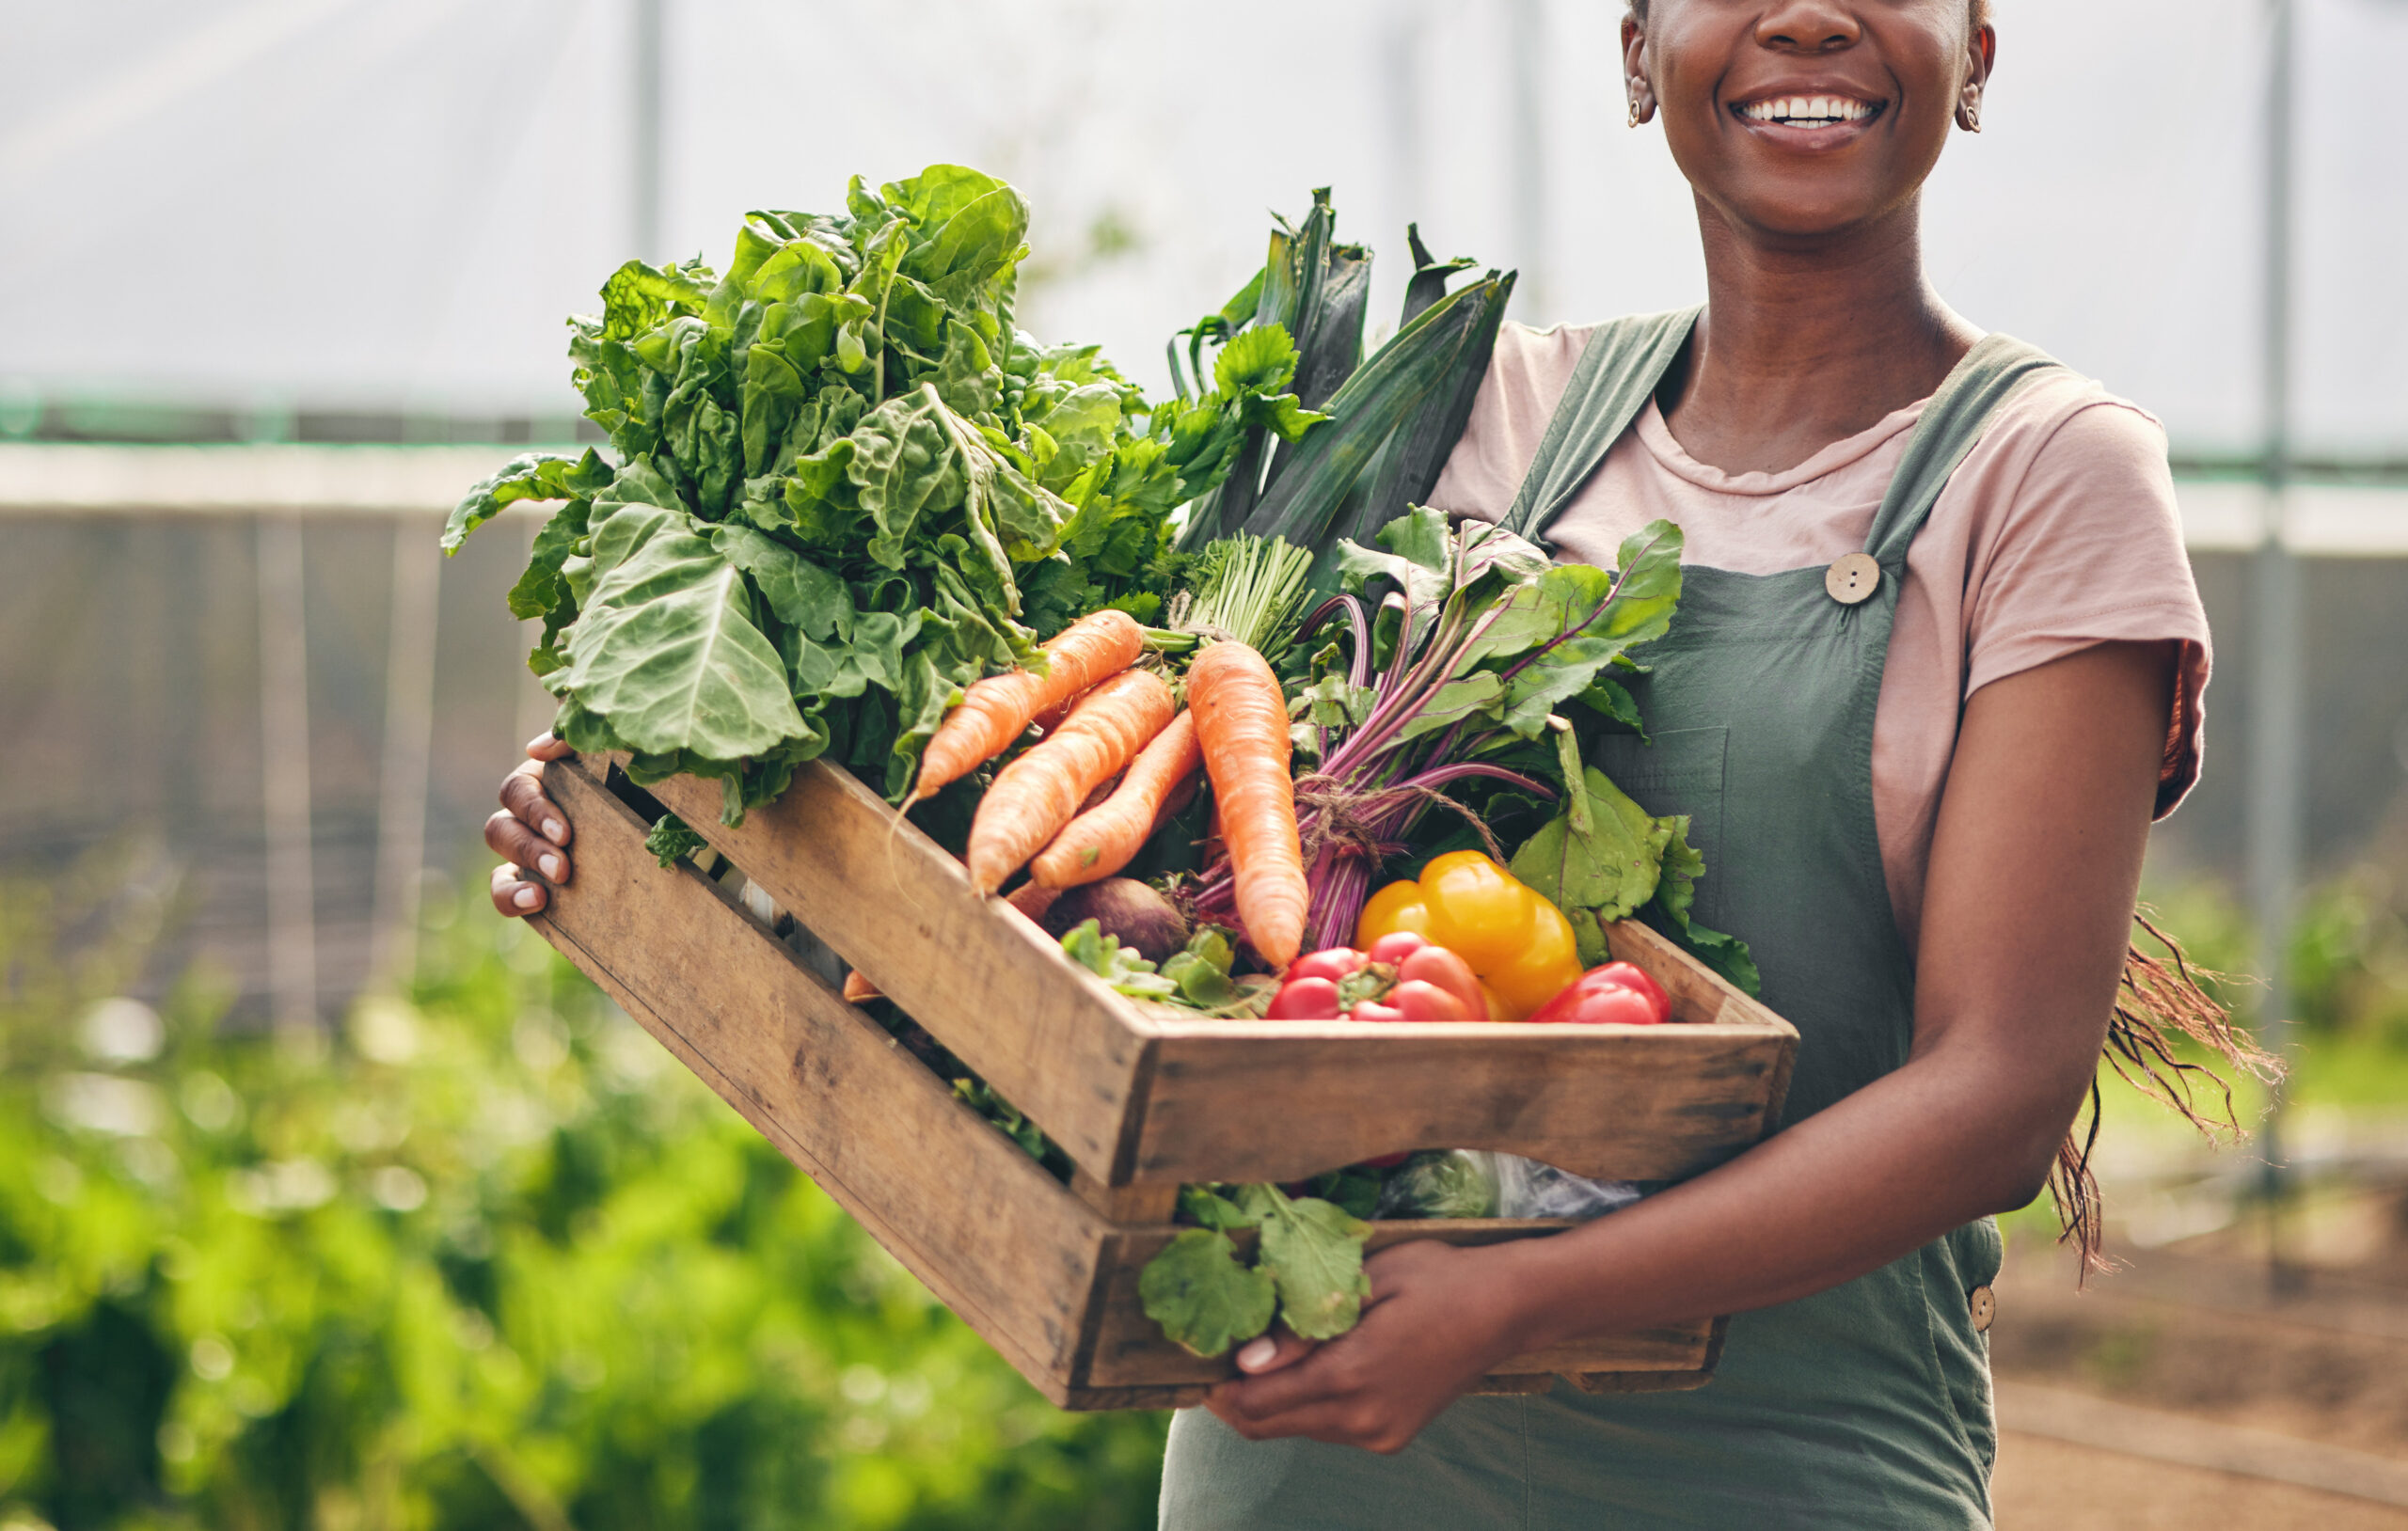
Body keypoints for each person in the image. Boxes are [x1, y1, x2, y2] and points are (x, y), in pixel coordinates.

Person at [483, 1, 2247, 1522]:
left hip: (1779, 1465)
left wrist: (1511, 1304)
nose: (1801, 17)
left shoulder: (2049, 479)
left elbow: (1998, 1096)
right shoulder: (1486, 415)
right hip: (1312, 1449)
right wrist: (688, 813)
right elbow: (1166, 873)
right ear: (1637, 55)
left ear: (1980, 48)